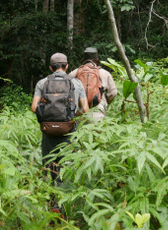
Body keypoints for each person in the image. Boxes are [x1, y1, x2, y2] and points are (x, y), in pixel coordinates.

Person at [31, 52, 88, 188]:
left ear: (51, 68)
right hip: (69, 131)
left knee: (49, 164)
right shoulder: (76, 83)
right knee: (67, 165)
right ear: (67, 66)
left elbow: (34, 107)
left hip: (48, 132)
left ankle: (52, 200)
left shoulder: (42, 83)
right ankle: (65, 199)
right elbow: (85, 109)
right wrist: (73, 116)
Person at [69, 47, 117, 122]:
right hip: (98, 112)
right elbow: (113, 93)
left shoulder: (74, 73)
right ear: (97, 60)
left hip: (79, 113)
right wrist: (105, 102)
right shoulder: (105, 73)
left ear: (83, 59)